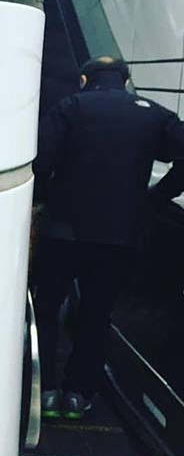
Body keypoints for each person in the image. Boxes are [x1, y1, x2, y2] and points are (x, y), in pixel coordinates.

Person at [33, 56, 184, 419]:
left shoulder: (70, 107)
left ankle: (46, 390)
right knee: (97, 313)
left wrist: (49, 199)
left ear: (84, 80)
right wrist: (156, 197)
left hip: (63, 233)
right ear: (126, 81)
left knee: (47, 307)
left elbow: (41, 163)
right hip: (119, 236)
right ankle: (78, 394)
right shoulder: (155, 115)